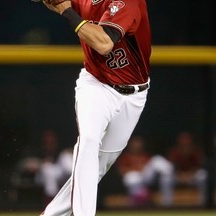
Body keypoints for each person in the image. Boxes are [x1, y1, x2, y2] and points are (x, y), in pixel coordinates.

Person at [39, 0, 152, 215]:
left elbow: (103, 44)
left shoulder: (128, 2)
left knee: (95, 169)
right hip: (96, 84)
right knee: (89, 141)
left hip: (133, 96)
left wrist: (65, 10)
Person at [117, 136, 174, 206]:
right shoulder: (126, 156)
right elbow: (121, 171)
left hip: (146, 176)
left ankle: (168, 172)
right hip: (135, 179)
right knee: (130, 177)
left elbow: (150, 166)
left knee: (157, 159)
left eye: (138, 144)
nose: (137, 145)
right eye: (135, 144)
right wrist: (136, 168)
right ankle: (137, 197)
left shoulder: (144, 155)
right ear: (130, 145)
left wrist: (143, 168)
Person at [168, 132, 207, 205]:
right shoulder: (174, 152)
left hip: (192, 176)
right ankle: (166, 204)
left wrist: (189, 175)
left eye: (186, 142)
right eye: (183, 142)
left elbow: (199, 167)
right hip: (178, 177)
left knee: (203, 176)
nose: (185, 144)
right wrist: (180, 175)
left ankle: (202, 203)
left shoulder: (196, 152)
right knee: (166, 178)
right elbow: (171, 167)